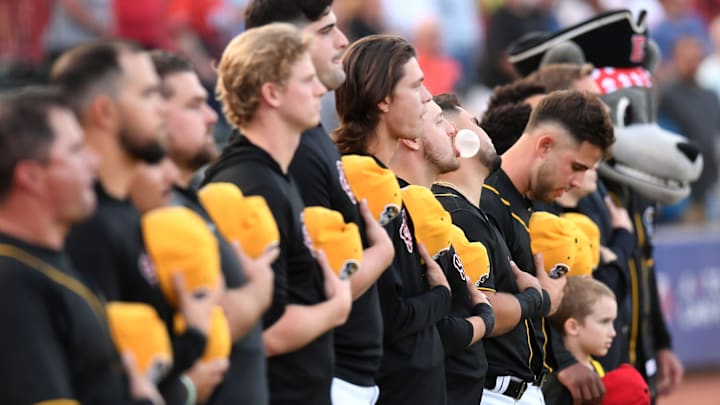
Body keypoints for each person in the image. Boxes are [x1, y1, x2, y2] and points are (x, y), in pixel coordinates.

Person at [50, 40, 225, 404]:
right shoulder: (86, 224)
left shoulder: (130, 210)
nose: (163, 110)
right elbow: (107, 378)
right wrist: (192, 349)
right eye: (149, 95)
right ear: (105, 112)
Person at [243, 2, 395, 402]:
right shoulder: (293, 152)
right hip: (326, 380)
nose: (342, 41)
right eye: (326, 30)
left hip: (344, 377)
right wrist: (381, 253)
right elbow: (314, 288)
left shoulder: (310, 139)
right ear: (284, 45)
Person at [203, 23, 353, 405]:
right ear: (271, 93)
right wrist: (336, 307)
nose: (320, 90)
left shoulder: (274, 176)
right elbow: (265, 332)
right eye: (307, 81)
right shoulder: (253, 183)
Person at [0, 86, 161, 404]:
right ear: (31, 176)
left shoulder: (44, 262)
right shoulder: (13, 285)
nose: (93, 159)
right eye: (76, 150)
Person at [150, 49, 277, 404]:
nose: (210, 117)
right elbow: (204, 326)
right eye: (193, 106)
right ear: (152, 116)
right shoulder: (158, 212)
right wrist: (258, 290)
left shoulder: (189, 199)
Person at [335, 34, 452, 405]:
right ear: (383, 99)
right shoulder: (361, 181)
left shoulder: (383, 180)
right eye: (416, 86)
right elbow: (390, 314)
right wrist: (441, 295)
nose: (425, 99)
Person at [480, 89, 615, 405]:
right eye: (577, 167)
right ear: (544, 146)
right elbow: (474, 309)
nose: (578, 182)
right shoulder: (484, 200)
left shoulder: (530, 203)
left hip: (525, 388)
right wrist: (540, 299)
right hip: (491, 391)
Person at [432, 93, 566, 405]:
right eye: (474, 123)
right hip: (496, 392)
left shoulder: (470, 209)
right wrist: (538, 298)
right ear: (458, 138)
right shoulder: (458, 213)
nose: (484, 131)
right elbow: (483, 308)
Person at [389, 97, 497, 403]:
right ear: (411, 139)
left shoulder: (432, 210)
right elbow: (431, 327)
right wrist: (484, 319)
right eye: (439, 122)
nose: (453, 131)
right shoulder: (400, 207)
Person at [544, 277, 619, 404]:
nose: (613, 333)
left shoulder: (600, 370)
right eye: (604, 322)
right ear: (573, 326)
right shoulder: (557, 383)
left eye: (613, 322)